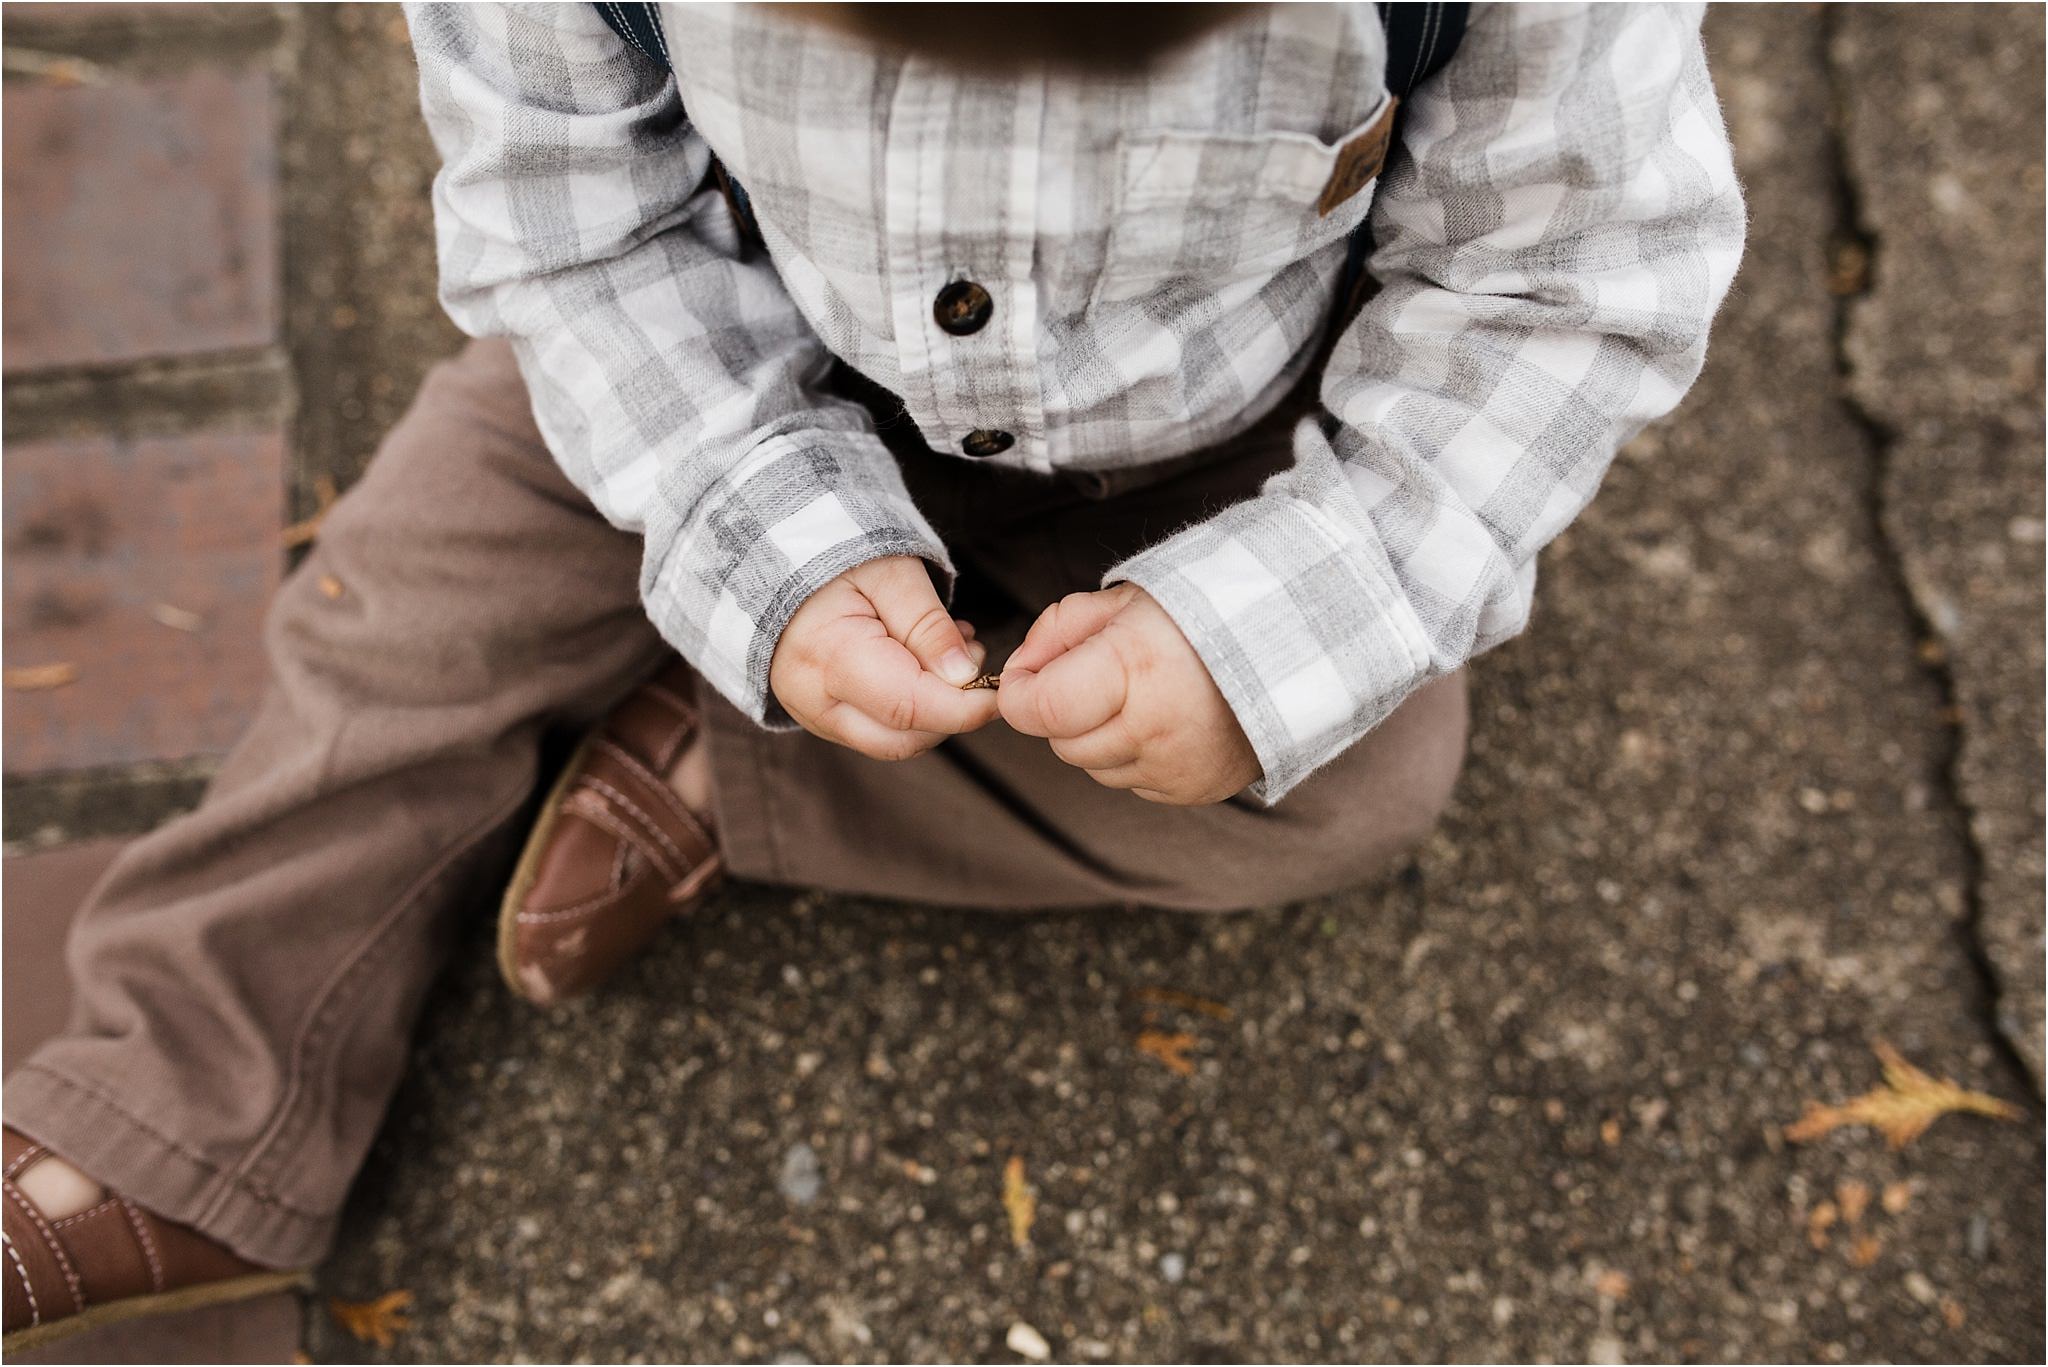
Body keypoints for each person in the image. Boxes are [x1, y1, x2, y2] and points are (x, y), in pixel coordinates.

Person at [1, 2, 1743, 1348]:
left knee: (1347, 797)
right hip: (721, 363)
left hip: (1229, 448)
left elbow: (1563, 287)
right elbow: (578, 230)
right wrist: (758, 528)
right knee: (396, 637)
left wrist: (1268, 624)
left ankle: (735, 758)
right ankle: (177, 1098)